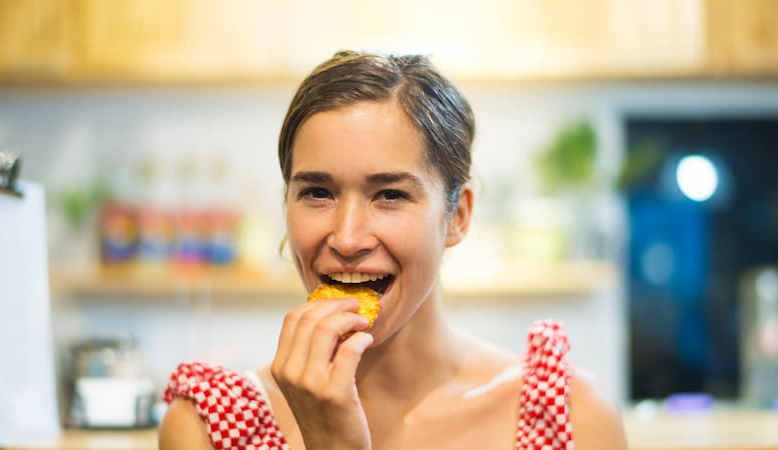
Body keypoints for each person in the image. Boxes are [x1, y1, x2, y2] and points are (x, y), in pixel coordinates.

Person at [158, 50, 628, 450]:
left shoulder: (571, 418)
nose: (346, 238)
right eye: (317, 192)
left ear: (458, 216)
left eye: (390, 195)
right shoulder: (210, 428)